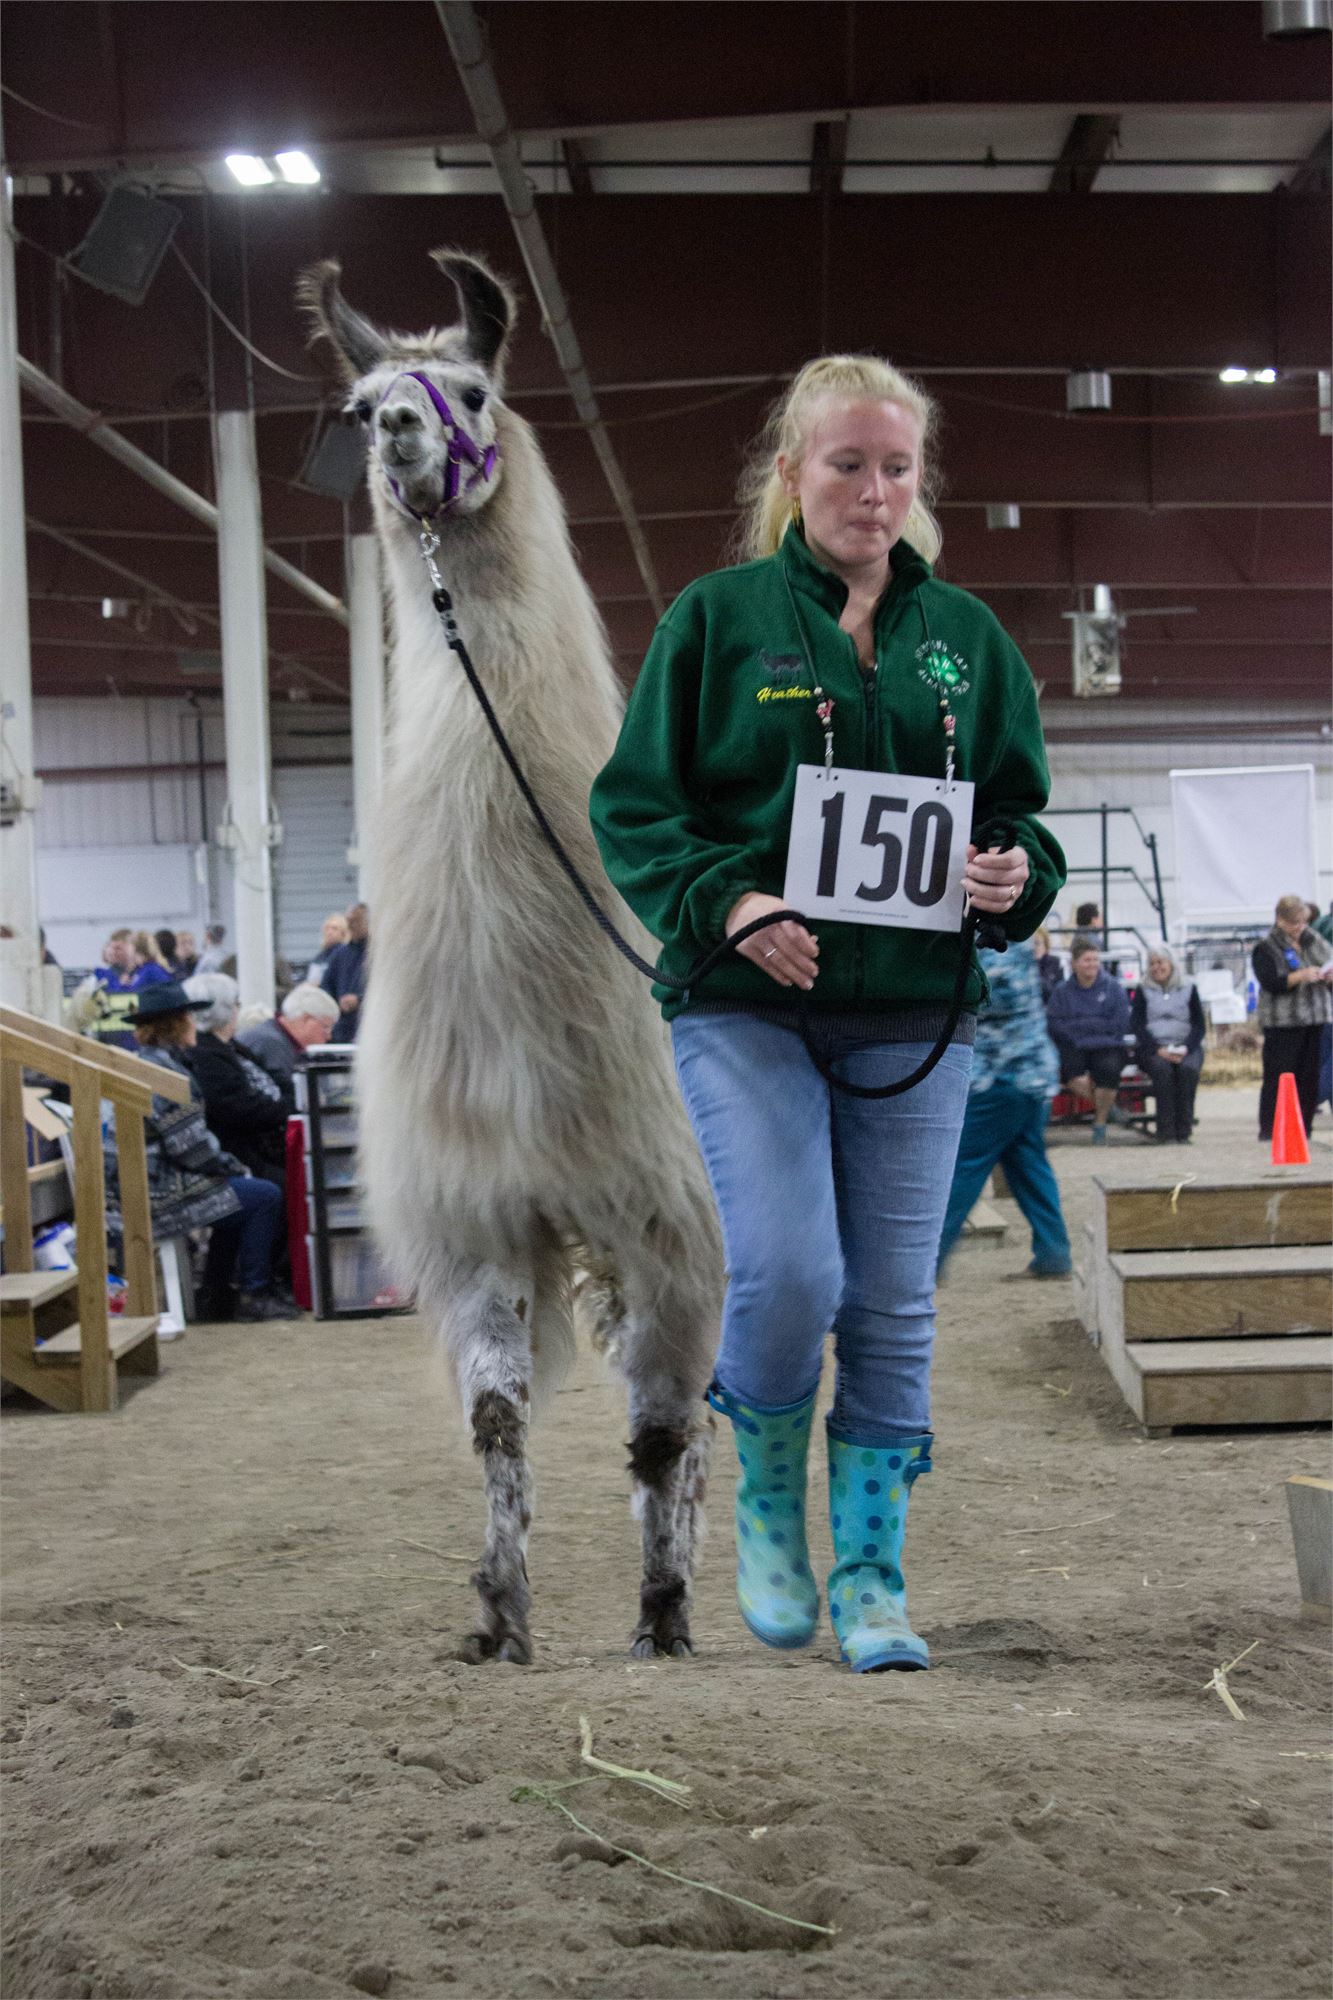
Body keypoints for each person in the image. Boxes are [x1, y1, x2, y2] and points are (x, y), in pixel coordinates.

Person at [590, 353, 1064, 1675]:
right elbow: (633, 805)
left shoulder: (965, 640)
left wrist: (1012, 876)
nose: (872, 490)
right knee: (795, 1268)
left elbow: (1019, 817)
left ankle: (871, 1570)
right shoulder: (716, 620)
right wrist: (726, 903)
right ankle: (764, 1497)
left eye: (895, 466)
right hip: (744, 1007)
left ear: (918, 482)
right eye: (846, 463)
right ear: (792, 471)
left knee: (899, 1297)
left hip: (918, 1016)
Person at [110, 981, 290, 1321]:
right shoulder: (167, 1076)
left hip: (139, 1187)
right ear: (176, 1025)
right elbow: (191, 1149)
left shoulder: (148, 1064)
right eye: (190, 1018)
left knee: (240, 1196)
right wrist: (233, 1167)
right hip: (158, 1196)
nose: (196, 1024)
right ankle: (255, 1293)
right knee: (263, 1195)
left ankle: (215, 1294)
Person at [937, 938, 1071, 1279]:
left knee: (962, 1169)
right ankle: (1054, 1255)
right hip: (1030, 1077)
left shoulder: (997, 949)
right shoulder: (1015, 941)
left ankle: (926, 1262)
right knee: (1029, 1168)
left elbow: (988, 995)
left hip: (1002, 1078)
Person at [184, 973, 292, 1189]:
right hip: (245, 1154)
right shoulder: (205, 1053)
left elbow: (276, 1078)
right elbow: (240, 1109)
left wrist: (293, 1098)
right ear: (223, 1010)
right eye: (236, 1003)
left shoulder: (230, 1046)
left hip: (266, 1143)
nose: (238, 1009)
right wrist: (289, 1106)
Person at [1252, 894, 1333, 1143]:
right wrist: (1300, 976)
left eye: (1302, 922)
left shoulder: (1313, 940)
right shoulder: (1266, 947)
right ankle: (1270, 1129)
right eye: (1293, 923)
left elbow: (1327, 959)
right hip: (1282, 1023)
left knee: (1309, 1076)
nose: (1298, 928)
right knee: (1279, 1076)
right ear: (1280, 920)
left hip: (1315, 1018)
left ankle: (1303, 1127)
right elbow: (1271, 982)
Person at [1045, 935, 1131, 1144]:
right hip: (1073, 1046)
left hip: (1107, 1045)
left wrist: (1081, 1025)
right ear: (1074, 964)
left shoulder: (1113, 988)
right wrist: (1093, 1025)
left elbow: (1119, 1023)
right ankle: (1109, 1109)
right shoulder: (1062, 992)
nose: (1092, 964)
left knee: (1109, 1070)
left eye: (1095, 960)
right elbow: (1055, 1023)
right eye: (1087, 960)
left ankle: (1099, 1124)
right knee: (1074, 1076)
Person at [1131, 944, 1206, 1145]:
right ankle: (1166, 1130)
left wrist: (1186, 1048)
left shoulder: (1189, 987)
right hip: (1154, 1048)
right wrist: (1158, 1049)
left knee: (1188, 1070)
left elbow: (1199, 1025)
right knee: (1162, 1071)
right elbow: (1137, 1025)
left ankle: (1184, 1129)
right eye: (1152, 963)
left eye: (1160, 962)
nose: (1156, 967)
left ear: (1171, 964)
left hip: (1185, 1045)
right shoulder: (1143, 988)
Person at [238, 982, 339, 1090]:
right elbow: (287, 1097)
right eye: (326, 1028)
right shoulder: (272, 1045)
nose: (328, 1037)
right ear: (306, 1019)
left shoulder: (272, 1035)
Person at [321, 904, 369, 1043]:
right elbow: (326, 986)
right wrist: (333, 1004)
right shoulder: (340, 954)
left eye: (355, 921)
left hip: (368, 1026)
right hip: (342, 1029)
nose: (350, 925)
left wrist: (359, 1001)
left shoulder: (377, 954)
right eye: (348, 921)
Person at [305, 912, 350, 986]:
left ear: (343, 933)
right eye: (327, 928)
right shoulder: (320, 956)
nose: (329, 932)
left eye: (334, 929)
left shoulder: (345, 955)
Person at [1032, 923, 1063, 1006]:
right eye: (1030, 944)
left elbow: (1056, 993)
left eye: (1037, 943)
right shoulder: (1023, 965)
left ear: (1046, 945)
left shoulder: (1055, 963)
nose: (1033, 947)